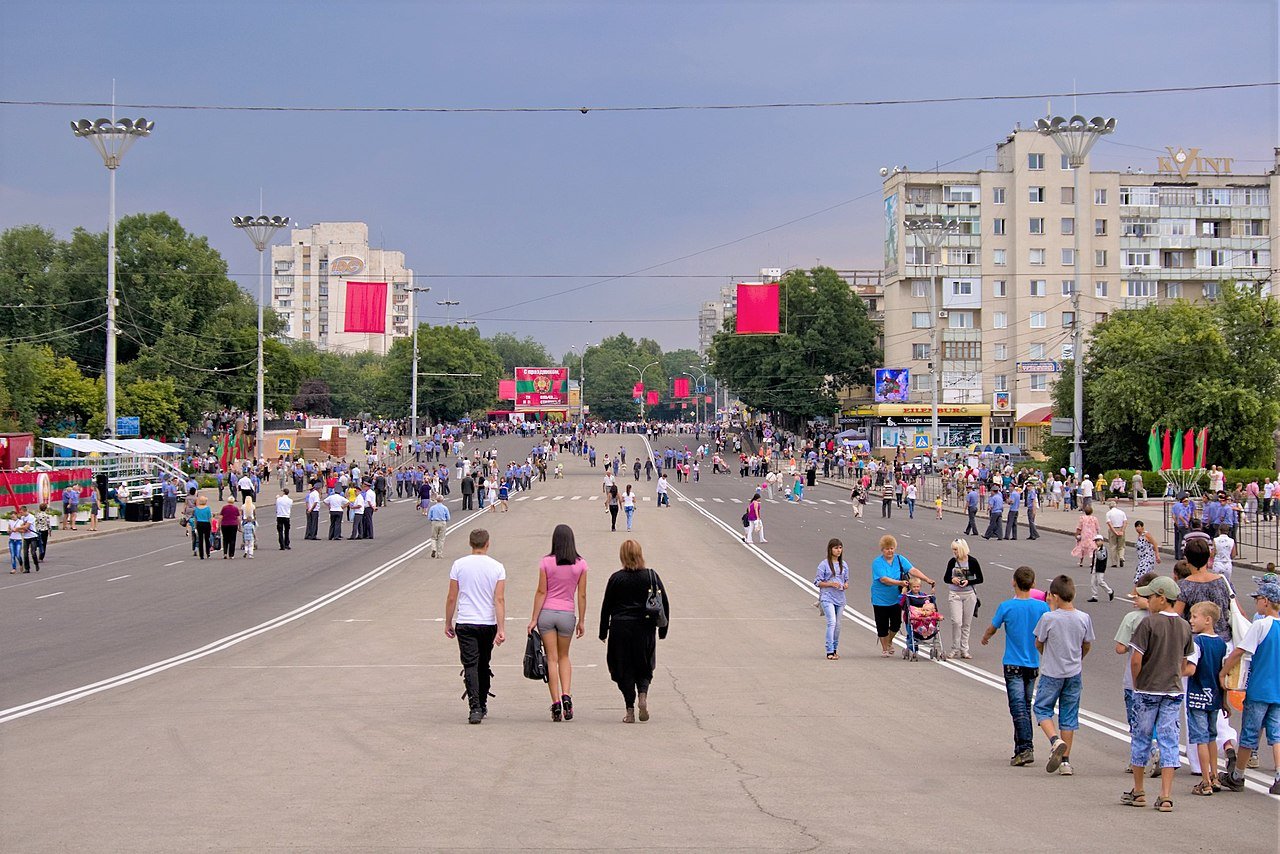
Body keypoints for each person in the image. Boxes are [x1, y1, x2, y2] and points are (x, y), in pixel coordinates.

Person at [1123, 576, 1195, 812]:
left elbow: (1136, 660)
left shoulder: (1148, 624)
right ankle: (1166, 795)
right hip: (1173, 690)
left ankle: (1139, 790)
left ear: (1162, 599)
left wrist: (1137, 683)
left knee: (1141, 737)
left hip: (1147, 689)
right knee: (1169, 740)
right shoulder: (1185, 626)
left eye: (1150, 597)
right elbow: (1184, 662)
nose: (1147, 600)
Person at [982, 566, 1050, 767]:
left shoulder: (1006, 607)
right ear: (1034, 584)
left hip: (1012, 663)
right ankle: (1019, 749)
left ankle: (1026, 748)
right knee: (1024, 706)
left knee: (1017, 707)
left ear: (1014, 582)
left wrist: (986, 637)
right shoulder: (1042, 608)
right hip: (1033, 664)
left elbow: (993, 628)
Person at [1217, 581, 1280, 795]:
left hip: (1259, 688)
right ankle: (1279, 776)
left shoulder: (1261, 625)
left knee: (1249, 735)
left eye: (1257, 599)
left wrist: (1224, 671)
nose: (1255, 603)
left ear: (1266, 602)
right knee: (1277, 735)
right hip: (1278, 691)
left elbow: (1240, 651)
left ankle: (1237, 776)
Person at [599, 539, 669, 723]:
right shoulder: (651, 576)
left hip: (620, 628)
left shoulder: (616, 578)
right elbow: (664, 603)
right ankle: (643, 695)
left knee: (622, 668)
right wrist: (663, 630)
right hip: (644, 628)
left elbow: (606, 606)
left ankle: (629, 710)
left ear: (622, 556)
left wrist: (602, 632)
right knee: (644, 665)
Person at [1033, 574, 1094, 777]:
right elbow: (1086, 644)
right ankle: (1066, 762)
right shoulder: (1084, 618)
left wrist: (1048, 655)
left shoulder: (1048, 618)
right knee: (1068, 715)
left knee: (1042, 708)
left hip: (1052, 672)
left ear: (1055, 596)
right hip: (1074, 672)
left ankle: (1054, 740)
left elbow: (1039, 642)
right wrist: (1078, 657)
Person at [444, 528, 507, 725]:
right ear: (487, 544)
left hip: (466, 621)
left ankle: (475, 707)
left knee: (470, 664)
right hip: (487, 623)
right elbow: (499, 599)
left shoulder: (459, 565)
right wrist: (501, 628)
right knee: (483, 664)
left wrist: (448, 621)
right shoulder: (497, 567)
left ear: (471, 544)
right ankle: (483, 701)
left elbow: (452, 596)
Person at [527, 524, 589, 722]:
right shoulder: (580, 564)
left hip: (546, 614)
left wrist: (534, 619)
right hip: (567, 614)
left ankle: (555, 703)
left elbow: (541, 592)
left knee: (551, 659)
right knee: (564, 657)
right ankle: (567, 696)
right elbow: (582, 594)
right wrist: (582, 620)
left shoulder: (546, 562)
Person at [1115, 571, 1159, 777]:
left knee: (1136, 721)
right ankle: (1158, 750)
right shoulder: (1167, 618)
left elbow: (1120, 648)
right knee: (1156, 720)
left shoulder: (1132, 618)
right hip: (1160, 680)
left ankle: (1137, 760)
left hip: (1134, 680)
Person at [1186, 601, 1227, 797]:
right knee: (1211, 737)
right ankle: (1215, 775)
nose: (1191, 620)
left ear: (1208, 620)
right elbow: (1223, 672)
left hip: (1197, 696)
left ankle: (1205, 781)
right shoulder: (1221, 643)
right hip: (1215, 697)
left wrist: (1178, 670)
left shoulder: (1197, 643)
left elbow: (1191, 668)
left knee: (1200, 739)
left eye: (1195, 617)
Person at [870, 534, 935, 657]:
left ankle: (889, 641)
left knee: (896, 623)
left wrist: (926, 579)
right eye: (887, 548)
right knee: (882, 624)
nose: (890, 551)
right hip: (880, 598)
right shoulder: (877, 562)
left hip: (896, 598)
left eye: (892, 548)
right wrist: (900, 582)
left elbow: (912, 570)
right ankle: (884, 648)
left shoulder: (900, 559)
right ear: (882, 549)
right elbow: (884, 579)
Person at [943, 538, 984, 659]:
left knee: (966, 623)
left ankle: (964, 649)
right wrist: (952, 579)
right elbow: (945, 578)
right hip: (955, 594)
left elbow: (980, 578)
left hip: (969, 594)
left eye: (956, 549)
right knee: (956, 622)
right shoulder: (952, 562)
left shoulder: (972, 561)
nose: (954, 552)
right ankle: (954, 648)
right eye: (953, 550)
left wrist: (968, 581)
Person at [814, 539, 849, 660]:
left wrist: (845, 585)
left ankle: (834, 649)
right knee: (832, 622)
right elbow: (817, 582)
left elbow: (846, 580)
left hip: (840, 598)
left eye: (840, 548)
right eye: (835, 548)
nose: (838, 550)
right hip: (827, 597)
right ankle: (829, 650)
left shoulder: (843, 564)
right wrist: (830, 584)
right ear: (830, 549)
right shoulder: (824, 564)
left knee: (838, 625)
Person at [1088, 534, 1114, 603]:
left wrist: (1098, 552)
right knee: (1093, 582)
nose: (1097, 542)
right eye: (1096, 541)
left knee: (1100, 581)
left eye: (1098, 541)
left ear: (1102, 541)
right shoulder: (1095, 550)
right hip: (1095, 567)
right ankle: (1094, 596)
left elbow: (1101, 557)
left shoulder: (1103, 549)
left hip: (1100, 568)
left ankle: (1110, 591)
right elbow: (1094, 559)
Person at [1105, 501, 1128, 569]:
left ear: (1110, 506)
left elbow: (1109, 523)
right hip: (1121, 528)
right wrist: (1122, 531)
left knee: (1113, 546)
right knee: (1121, 546)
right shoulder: (1122, 512)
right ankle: (1121, 556)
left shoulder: (1108, 513)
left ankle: (1114, 563)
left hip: (1113, 530)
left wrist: (1114, 531)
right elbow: (1125, 522)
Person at [192, 495, 213, 560]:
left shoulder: (196, 509)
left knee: (200, 539)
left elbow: (195, 518)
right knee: (207, 539)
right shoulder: (207, 508)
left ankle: (201, 555)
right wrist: (211, 526)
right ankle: (208, 553)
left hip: (199, 523)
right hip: (206, 523)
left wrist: (195, 526)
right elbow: (210, 518)